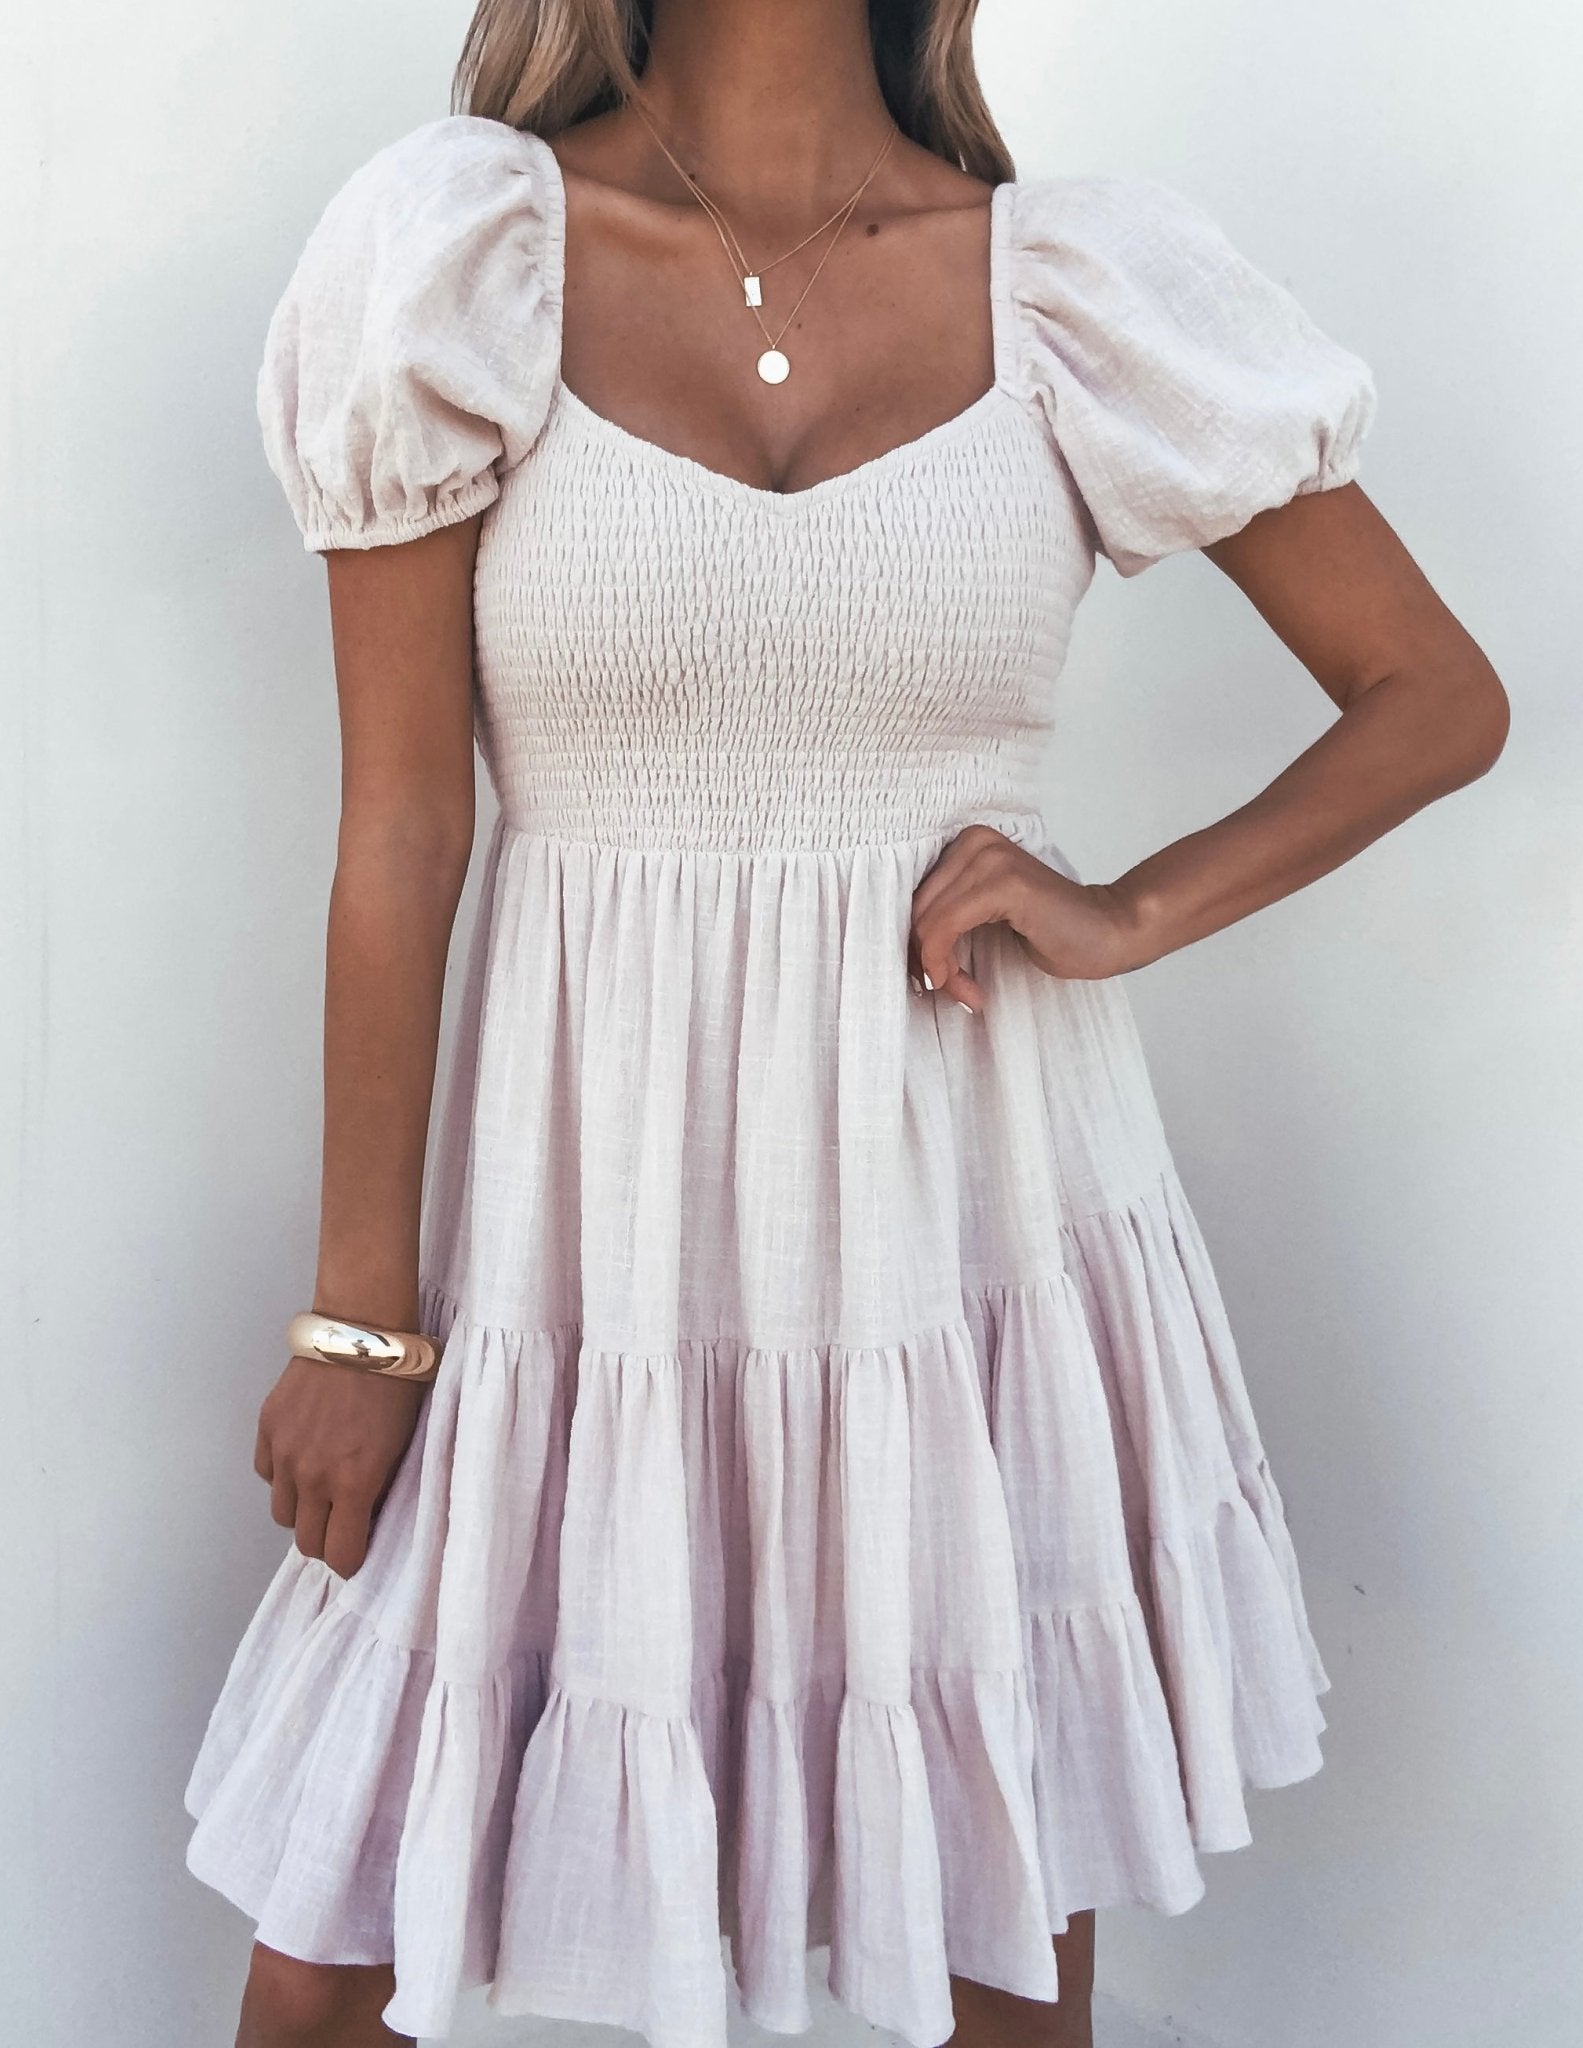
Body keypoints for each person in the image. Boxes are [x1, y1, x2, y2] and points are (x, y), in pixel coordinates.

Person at [182, 3, 1509, 2044]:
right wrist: (362, 1314)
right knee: (333, 1959)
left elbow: (1433, 692)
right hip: (581, 1257)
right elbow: (402, 822)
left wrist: (1124, 908)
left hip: (971, 1249)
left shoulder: (1067, 289)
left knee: (996, 1940)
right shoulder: (469, 255)